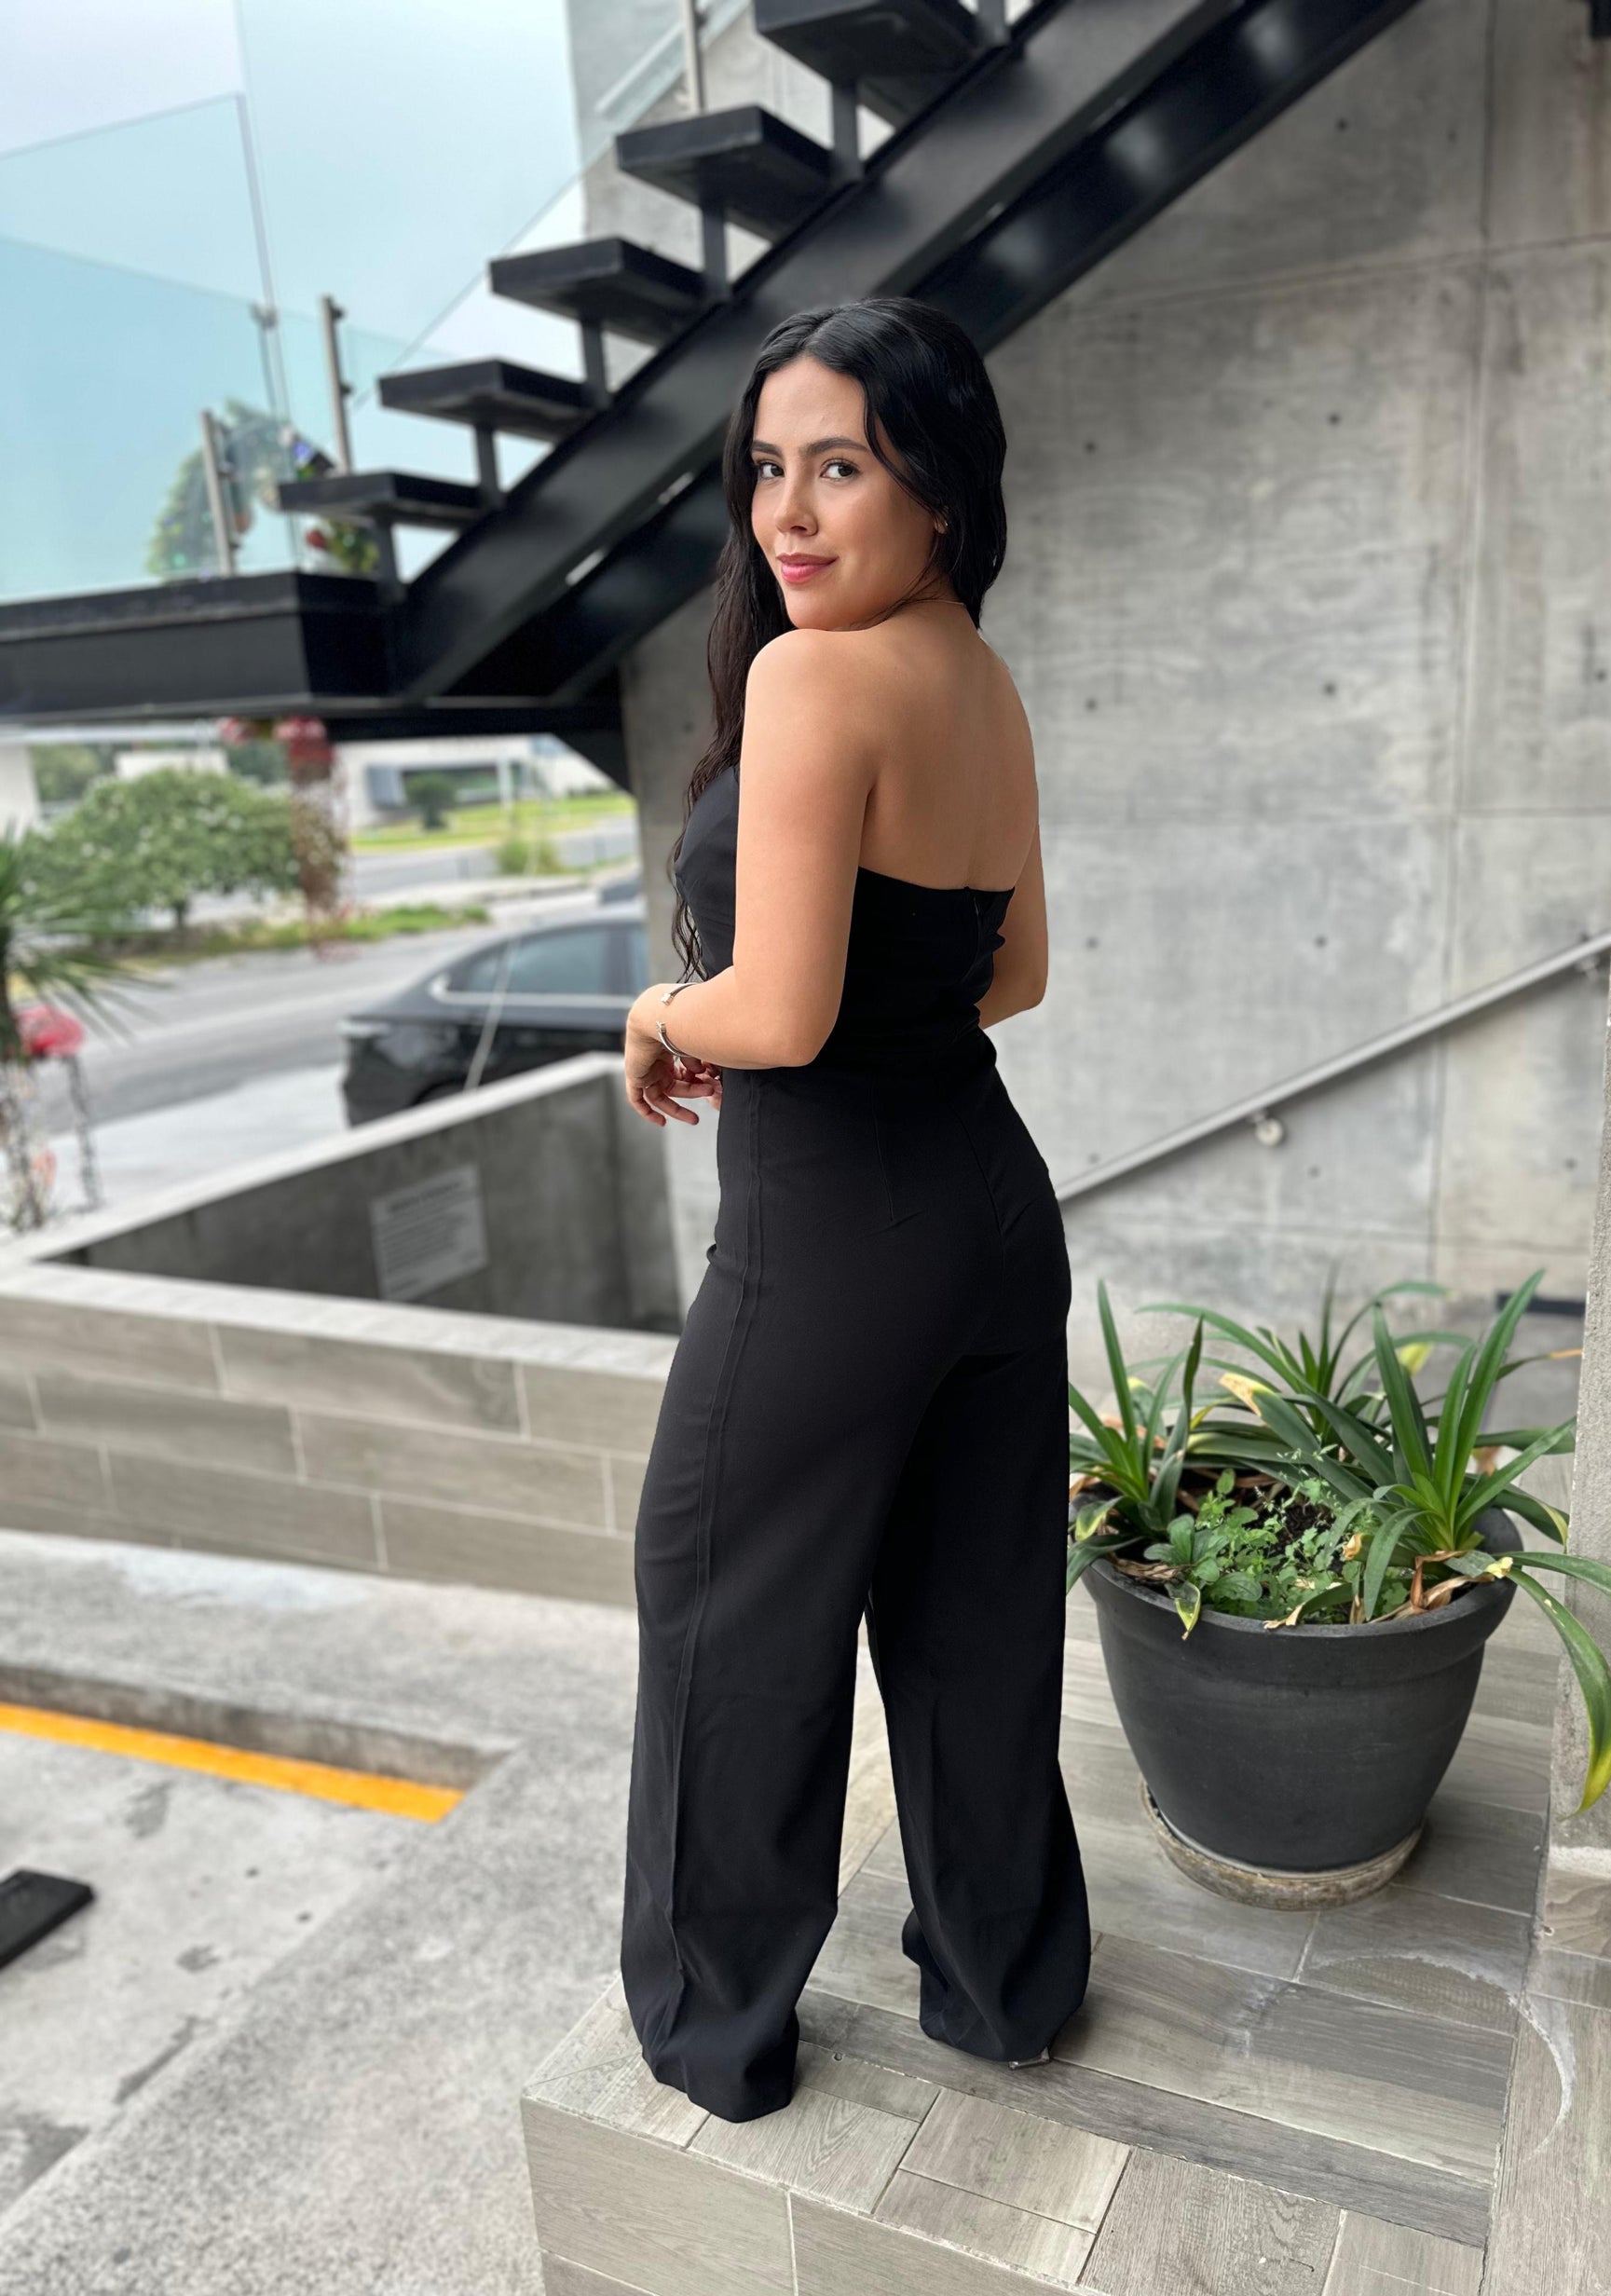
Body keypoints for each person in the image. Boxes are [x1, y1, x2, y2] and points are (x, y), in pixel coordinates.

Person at [617, 294, 1091, 2125]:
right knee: (976, 1622)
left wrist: (659, 1012)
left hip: (828, 1236)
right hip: (989, 1208)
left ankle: (717, 2033)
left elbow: (783, 1015)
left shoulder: (814, 680)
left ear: (941, 488)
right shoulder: (982, 678)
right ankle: (1004, 1984)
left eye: (841, 467)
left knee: (724, 1609)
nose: (789, 516)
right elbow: (1012, 974)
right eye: (766, 470)